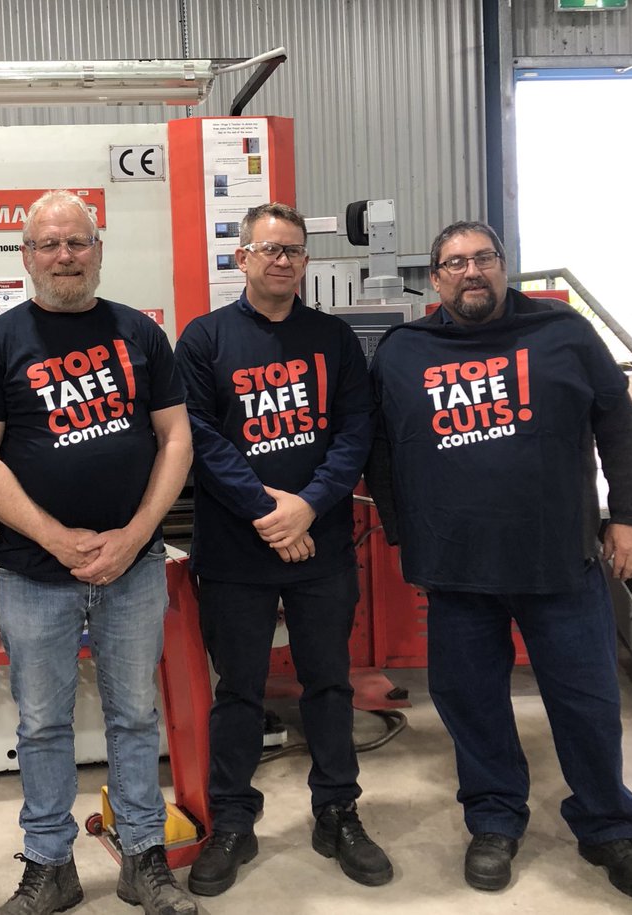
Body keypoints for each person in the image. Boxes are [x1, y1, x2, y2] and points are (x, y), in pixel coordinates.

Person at [365, 220, 632, 900]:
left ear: (504, 266)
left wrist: (630, 516)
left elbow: (616, 421)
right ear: (435, 278)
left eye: (484, 258)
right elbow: (378, 446)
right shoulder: (405, 349)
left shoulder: (564, 332)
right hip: (456, 568)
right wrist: (401, 528)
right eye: (456, 262)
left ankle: (608, 825)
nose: (472, 271)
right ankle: (494, 817)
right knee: (470, 702)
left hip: (559, 560)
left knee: (587, 701)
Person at [0, 190, 196, 915]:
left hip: (134, 568)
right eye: (49, 244)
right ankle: (49, 864)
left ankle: (143, 859)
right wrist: (54, 537)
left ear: (98, 249)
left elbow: (177, 438)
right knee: (41, 722)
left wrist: (135, 535)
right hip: (36, 573)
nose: (65, 255)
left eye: (78, 242)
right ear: (27, 256)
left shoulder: (139, 334)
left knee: (134, 714)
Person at [174, 202, 390, 897]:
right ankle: (234, 818)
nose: (281, 260)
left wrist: (309, 505)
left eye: (292, 250)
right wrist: (269, 509)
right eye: (267, 249)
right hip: (238, 549)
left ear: (305, 261)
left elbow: (356, 431)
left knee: (329, 683)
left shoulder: (333, 339)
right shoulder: (204, 340)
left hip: (320, 543)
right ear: (240, 258)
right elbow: (200, 439)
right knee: (237, 690)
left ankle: (337, 810)